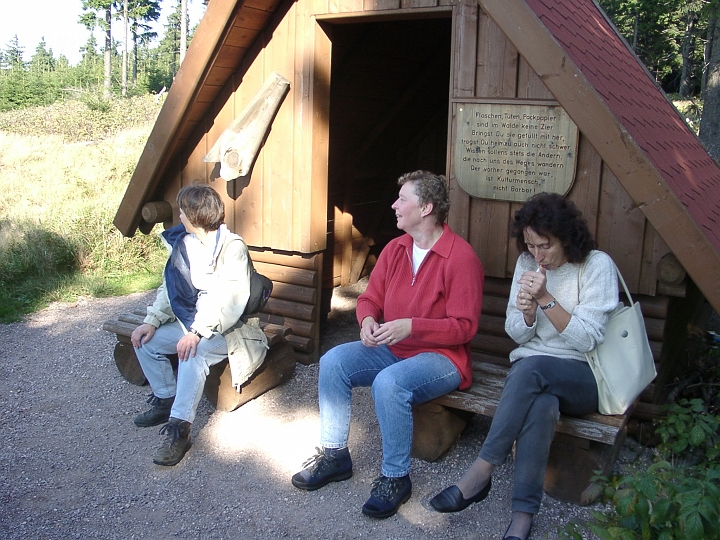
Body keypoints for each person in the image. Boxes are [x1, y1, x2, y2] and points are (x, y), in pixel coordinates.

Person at [291, 170, 484, 519]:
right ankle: (335, 455)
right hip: (394, 348)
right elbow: (370, 298)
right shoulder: (396, 249)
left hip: (443, 358)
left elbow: (465, 328)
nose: (394, 205)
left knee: (389, 383)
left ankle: (396, 477)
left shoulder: (460, 257)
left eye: (403, 199)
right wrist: (366, 320)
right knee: (334, 361)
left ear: (426, 208)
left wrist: (412, 327)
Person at [429, 192, 620, 540]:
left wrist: (545, 300)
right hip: (534, 378)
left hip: (585, 376)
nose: (537, 255)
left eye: (544, 246)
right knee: (542, 406)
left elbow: (587, 340)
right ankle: (522, 517)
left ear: (566, 237)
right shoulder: (527, 264)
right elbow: (516, 334)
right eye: (530, 246)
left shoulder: (595, 266)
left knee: (530, 369)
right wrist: (528, 315)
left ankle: (480, 472)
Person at [130, 184, 268, 466]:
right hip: (191, 324)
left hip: (229, 330)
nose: (178, 215)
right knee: (146, 341)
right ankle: (166, 396)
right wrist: (152, 321)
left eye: (182, 211)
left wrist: (197, 332)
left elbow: (231, 303)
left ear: (195, 217)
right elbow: (169, 290)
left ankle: (180, 429)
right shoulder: (184, 244)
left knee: (193, 353)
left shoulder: (232, 248)